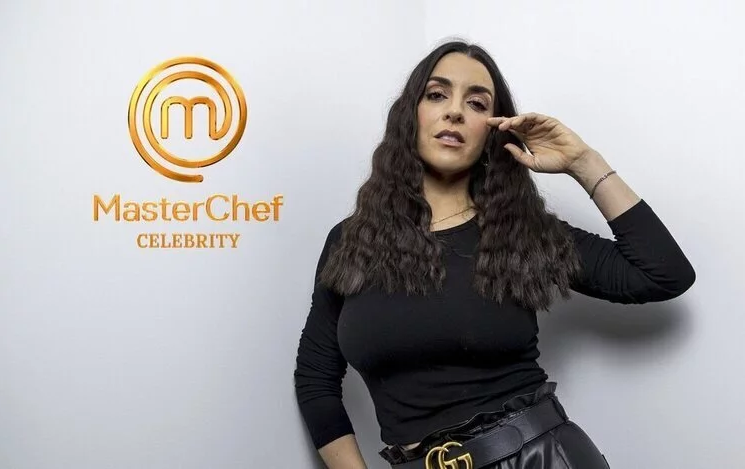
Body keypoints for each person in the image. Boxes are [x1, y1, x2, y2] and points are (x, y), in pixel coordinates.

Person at [293, 40, 695, 469]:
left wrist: (583, 162)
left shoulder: (522, 233)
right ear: (410, 114)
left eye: (477, 103)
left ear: (492, 130)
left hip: (539, 459)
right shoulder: (350, 242)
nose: (455, 111)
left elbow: (663, 274)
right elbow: (316, 379)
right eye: (437, 94)